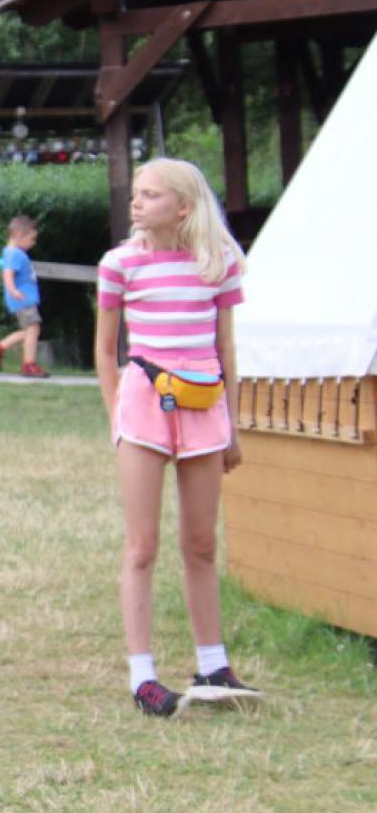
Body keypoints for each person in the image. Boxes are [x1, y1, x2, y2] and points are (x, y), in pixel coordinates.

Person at [96, 158, 259, 717]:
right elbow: (106, 350)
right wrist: (116, 416)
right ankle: (142, 677)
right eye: (136, 193)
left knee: (202, 543)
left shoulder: (220, 264)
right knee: (142, 546)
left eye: (151, 195)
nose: (136, 202)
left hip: (204, 406)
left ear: (184, 207)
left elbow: (227, 348)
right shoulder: (119, 264)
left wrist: (232, 426)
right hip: (143, 406)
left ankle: (213, 664)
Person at [0, 215, 49, 377]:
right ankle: (29, 364)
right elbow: (8, 274)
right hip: (23, 298)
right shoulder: (14, 253)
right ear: (19, 235)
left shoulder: (11, 253)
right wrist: (13, 290)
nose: (33, 243)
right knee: (33, 328)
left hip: (24, 298)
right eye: (31, 239)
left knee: (29, 331)